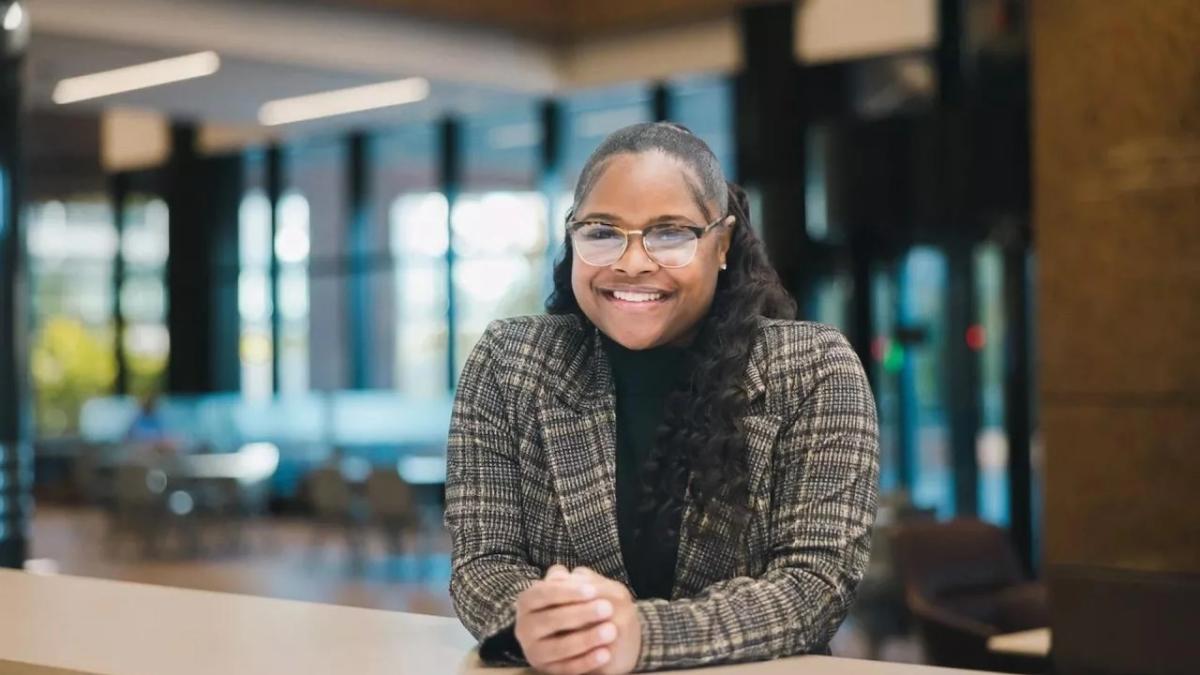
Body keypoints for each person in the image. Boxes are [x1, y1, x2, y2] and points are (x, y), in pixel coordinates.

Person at [445, 122, 879, 674]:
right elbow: (485, 562)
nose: (631, 263)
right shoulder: (510, 363)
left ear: (720, 244)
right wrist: (537, 622)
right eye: (602, 232)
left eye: (669, 233)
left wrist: (643, 636)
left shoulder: (813, 368)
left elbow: (814, 585)